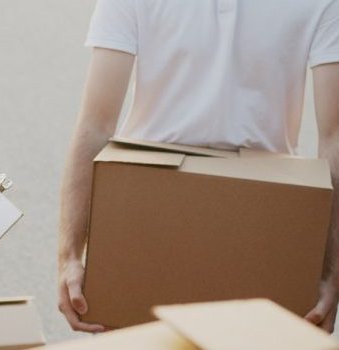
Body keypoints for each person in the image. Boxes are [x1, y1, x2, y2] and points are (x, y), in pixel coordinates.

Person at [58, 0, 339, 333]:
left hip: (260, 216)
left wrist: (331, 270)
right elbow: (95, 125)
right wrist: (69, 256)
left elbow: (334, 138)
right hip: (152, 210)